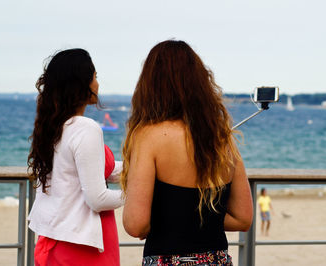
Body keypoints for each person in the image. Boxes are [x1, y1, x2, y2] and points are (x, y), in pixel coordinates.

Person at [121, 40, 253, 265]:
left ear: (150, 85)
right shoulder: (223, 139)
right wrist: (198, 220)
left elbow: (136, 225)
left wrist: (169, 221)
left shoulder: (148, 136)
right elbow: (243, 218)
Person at [27, 48, 124, 266]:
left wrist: (141, 168)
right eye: (95, 77)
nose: (98, 83)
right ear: (82, 83)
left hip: (56, 240)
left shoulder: (55, 126)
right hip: (82, 247)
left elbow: (86, 170)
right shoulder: (85, 127)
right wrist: (139, 194)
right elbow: (97, 199)